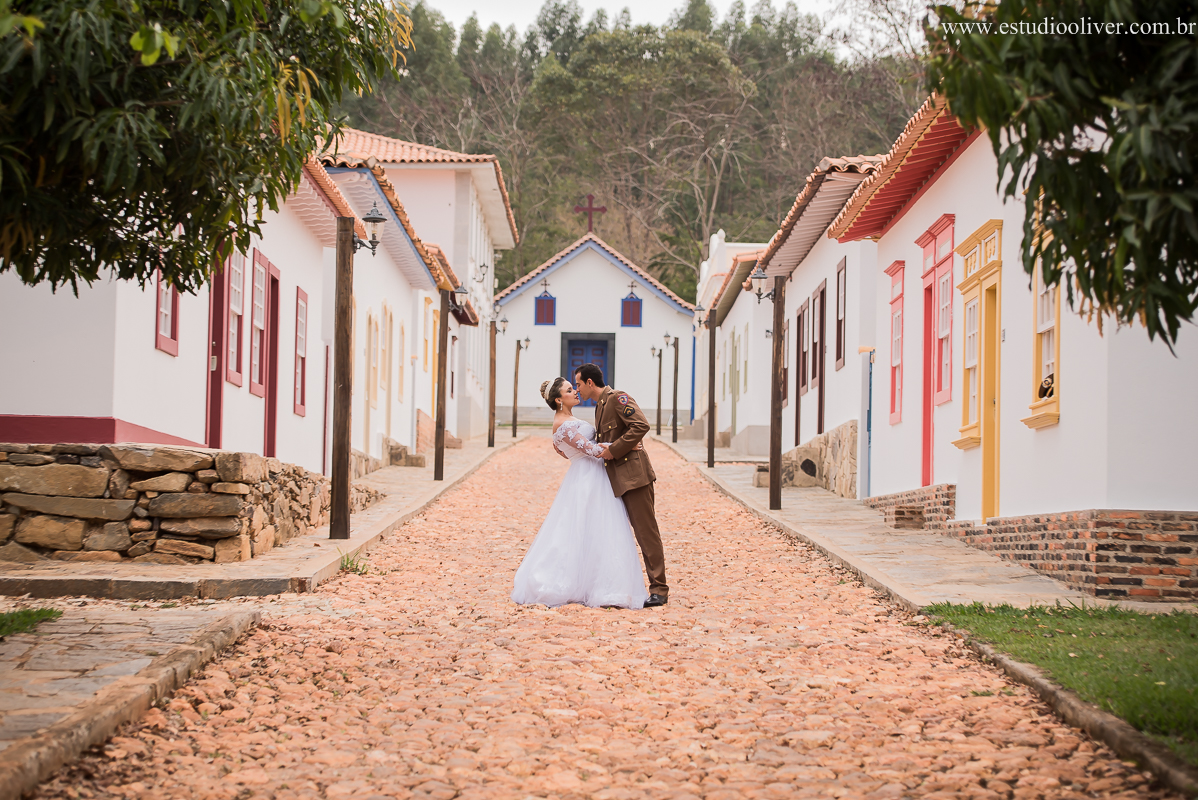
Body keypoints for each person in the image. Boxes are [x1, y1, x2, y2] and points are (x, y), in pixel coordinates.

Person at [510, 378, 649, 609]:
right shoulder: (562, 425)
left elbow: (565, 452)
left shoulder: (567, 422)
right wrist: (628, 445)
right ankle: (581, 582)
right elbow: (592, 450)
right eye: (569, 390)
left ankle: (597, 580)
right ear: (558, 399)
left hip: (589, 474)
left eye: (573, 387)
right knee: (584, 526)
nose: (575, 391)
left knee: (595, 528)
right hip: (587, 477)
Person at [573, 363, 669, 607]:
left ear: (590, 383)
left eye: (578, 384)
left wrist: (615, 449)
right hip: (617, 480)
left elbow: (641, 425)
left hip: (634, 477)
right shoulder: (600, 406)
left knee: (646, 533)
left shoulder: (617, 398)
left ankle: (659, 589)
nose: (577, 389)